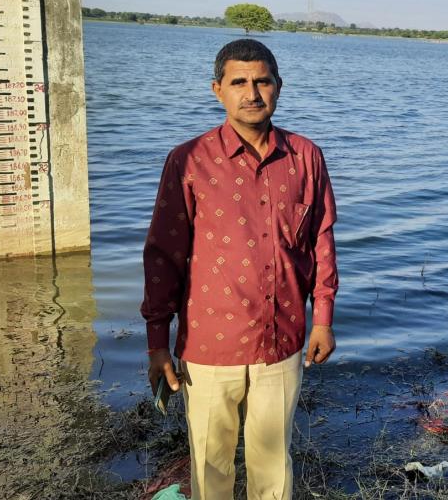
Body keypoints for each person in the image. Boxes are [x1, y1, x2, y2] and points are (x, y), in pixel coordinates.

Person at [141, 38, 339, 499]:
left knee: (274, 467)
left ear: (278, 87)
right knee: (210, 467)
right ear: (218, 89)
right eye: (239, 82)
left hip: (283, 339)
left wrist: (323, 319)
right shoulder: (189, 160)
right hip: (209, 346)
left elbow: (321, 242)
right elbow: (162, 256)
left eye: (262, 81)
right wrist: (157, 343)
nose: (251, 93)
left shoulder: (305, 156)